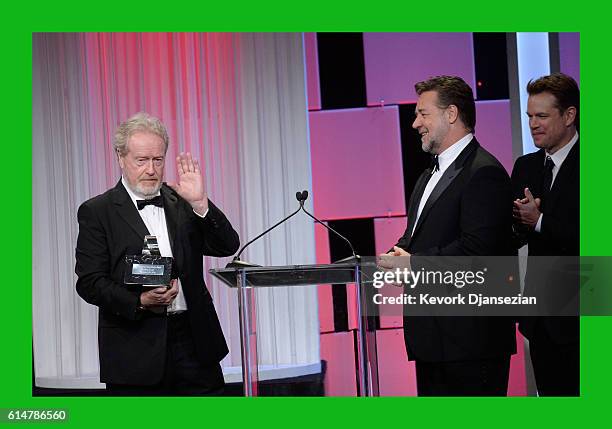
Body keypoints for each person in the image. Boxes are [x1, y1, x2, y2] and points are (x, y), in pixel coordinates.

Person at [75, 112, 239, 395]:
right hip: (134, 348)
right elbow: (89, 282)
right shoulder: (97, 211)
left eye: (158, 160)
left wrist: (201, 204)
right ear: (120, 157)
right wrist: (139, 300)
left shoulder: (182, 200)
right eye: (142, 160)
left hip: (195, 343)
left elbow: (227, 246)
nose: (151, 169)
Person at [380, 76, 516, 396]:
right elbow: (417, 237)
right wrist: (395, 255)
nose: (415, 123)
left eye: (423, 114)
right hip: (432, 341)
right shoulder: (428, 174)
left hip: (470, 344)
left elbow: (477, 253)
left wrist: (414, 265)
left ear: (451, 114)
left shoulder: (484, 172)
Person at [511, 72, 579, 396]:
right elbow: (512, 234)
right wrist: (518, 222)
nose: (533, 124)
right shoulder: (525, 166)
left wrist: (539, 220)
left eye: (541, 116)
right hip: (541, 322)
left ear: (569, 115)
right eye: (529, 116)